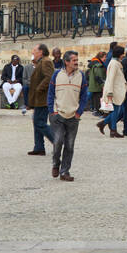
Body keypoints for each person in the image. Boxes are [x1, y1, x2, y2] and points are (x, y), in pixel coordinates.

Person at [47, 50, 88, 181]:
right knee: (58, 142)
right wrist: (52, 111)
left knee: (69, 145)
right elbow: (50, 94)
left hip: (73, 117)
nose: (77, 62)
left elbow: (84, 96)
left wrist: (79, 112)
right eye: (74, 60)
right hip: (58, 115)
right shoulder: (56, 74)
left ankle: (65, 171)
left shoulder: (81, 75)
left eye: (77, 60)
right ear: (67, 62)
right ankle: (55, 164)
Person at [27, 43, 55, 153]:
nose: (33, 52)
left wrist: (39, 88)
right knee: (37, 121)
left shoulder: (46, 61)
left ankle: (57, 141)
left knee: (39, 122)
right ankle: (39, 147)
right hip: (39, 98)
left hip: (43, 98)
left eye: (35, 50)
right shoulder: (41, 62)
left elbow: (49, 77)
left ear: (41, 52)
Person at [97, 44, 127, 138]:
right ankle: (112, 129)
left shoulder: (116, 63)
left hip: (117, 91)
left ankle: (104, 124)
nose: (123, 55)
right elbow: (110, 79)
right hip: (114, 91)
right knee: (115, 111)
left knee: (117, 111)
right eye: (122, 54)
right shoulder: (114, 64)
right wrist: (110, 93)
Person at [86, 52, 107, 117]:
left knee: (95, 99)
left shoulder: (93, 63)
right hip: (97, 86)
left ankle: (97, 111)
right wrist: (103, 85)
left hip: (93, 85)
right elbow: (99, 76)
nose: (105, 59)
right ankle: (99, 112)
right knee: (98, 99)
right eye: (104, 57)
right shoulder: (98, 65)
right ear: (101, 57)